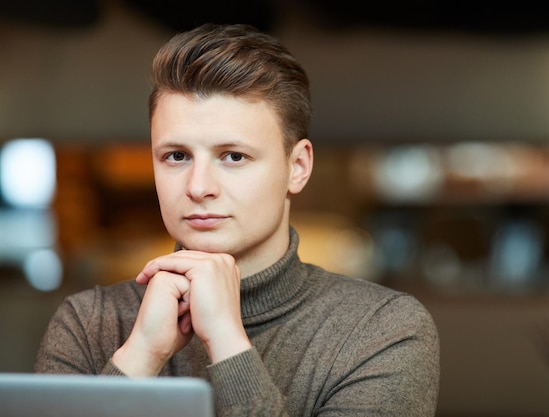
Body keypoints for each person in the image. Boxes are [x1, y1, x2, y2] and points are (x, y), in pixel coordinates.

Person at [34, 23, 440, 416]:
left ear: (297, 166)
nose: (199, 187)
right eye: (176, 156)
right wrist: (140, 355)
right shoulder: (88, 323)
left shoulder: (382, 330)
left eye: (233, 156)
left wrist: (228, 342)